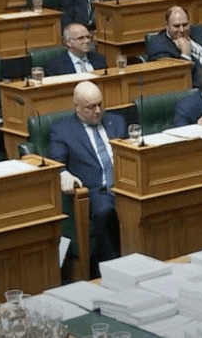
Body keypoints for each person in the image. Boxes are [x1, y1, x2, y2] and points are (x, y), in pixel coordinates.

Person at [49, 81, 126, 277]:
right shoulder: (62, 129)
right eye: (91, 107)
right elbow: (55, 164)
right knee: (105, 209)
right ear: (76, 107)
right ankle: (111, 267)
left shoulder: (116, 121)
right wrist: (63, 174)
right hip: (94, 191)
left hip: (126, 185)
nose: (98, 111)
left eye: (100, 104)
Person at [146, 6, 202, 87]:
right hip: (201, 89)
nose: (182, 30)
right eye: (176, 26)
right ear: (167, 25)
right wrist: (185, 54)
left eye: (185, 25)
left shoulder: (200, 31)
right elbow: (176, 81)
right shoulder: (158, 46)